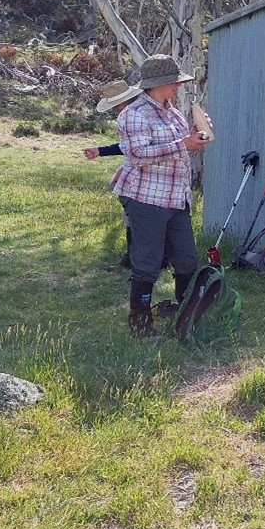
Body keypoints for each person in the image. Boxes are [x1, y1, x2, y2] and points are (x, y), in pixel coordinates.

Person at [111, 55, 210, 339]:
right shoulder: (134, 114)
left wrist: (194, 136)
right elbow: (137, 155)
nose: (177, 87)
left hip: (176, 199)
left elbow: (178, 147)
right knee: (148, 262)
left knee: (187, 259)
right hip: (146, 198)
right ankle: (140, 324)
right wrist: (183, 144)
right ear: (158, 84)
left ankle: (185, 315)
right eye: (174, 83)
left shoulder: (172, 112)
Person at [84, 79, 143, 269]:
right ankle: (132, 258)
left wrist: (120, 171)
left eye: (114, 105)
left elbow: (135, 151)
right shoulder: (131, 115)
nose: (114, 109)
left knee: (137, 219)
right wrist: (100, 151)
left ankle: (138, 261)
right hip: (133, 172)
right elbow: (126, 148)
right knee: (131, 218)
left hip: (140, 176)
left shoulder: (132, 116)